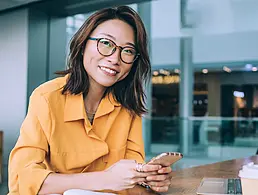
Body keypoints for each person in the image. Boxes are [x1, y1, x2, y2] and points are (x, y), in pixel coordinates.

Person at [8, 6, 172, 195]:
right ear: (83, 44)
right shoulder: (47, 97)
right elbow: (21, 179)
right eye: (106, 43)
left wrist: (149, 181)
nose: (115, 58)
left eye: (127, 51)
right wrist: (106, 179)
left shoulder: (129, 108)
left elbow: (130, 183)